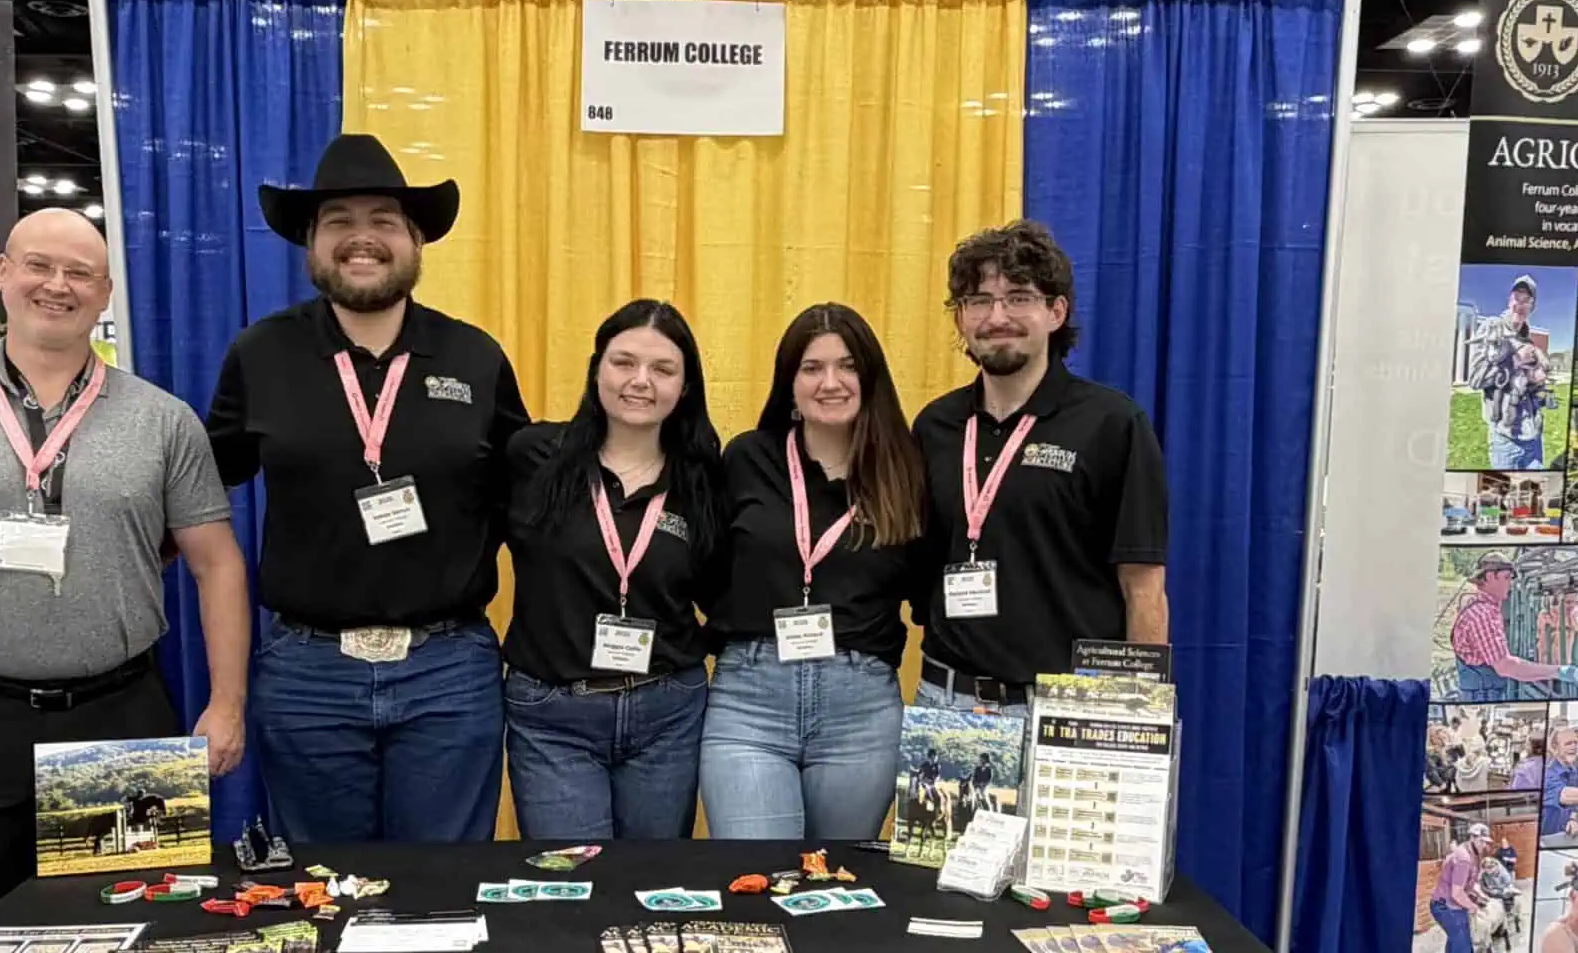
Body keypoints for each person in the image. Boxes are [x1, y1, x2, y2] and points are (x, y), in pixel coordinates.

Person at [0, 210, 250, 951]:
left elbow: (216, 563)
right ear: (3, 273)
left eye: (79, 274)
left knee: (137, 935)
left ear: (104, 293)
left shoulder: (166, 422)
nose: (56, 286)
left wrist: (227, 703)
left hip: (122, 718)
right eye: (38, 266)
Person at [204, 133, 526, 843]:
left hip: (448, 671)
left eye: (383, 220)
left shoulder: (475, 357)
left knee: (443, 893)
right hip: (307, 673)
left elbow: (526, 500)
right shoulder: (260, 354)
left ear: (416, 241)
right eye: (339, 222)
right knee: (326, 892)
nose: (362, 239)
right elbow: (198, 493)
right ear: (311, 245)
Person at [911, 222, 1169, 716]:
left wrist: (1137, 720)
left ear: (1056, 311)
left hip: (1065, 709)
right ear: (961, 319)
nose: (997, 316)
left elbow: (1144, 587)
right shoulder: (935, 427)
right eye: (979, 300)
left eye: (1018, 297)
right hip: (946, 705)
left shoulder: (1113, 426)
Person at [700, 304, 926, 840]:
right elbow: (708, 570)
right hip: (750, 703)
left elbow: (923, 586)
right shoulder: (747, 458)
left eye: (847, 366)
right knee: (756, 881)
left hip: (861, 712)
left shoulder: (905, 470)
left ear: (869, 378)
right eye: (811, 367)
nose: (831, 382)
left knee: (835, 891)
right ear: (790, 383)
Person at [500, 301, 723, 839]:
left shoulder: (705, 477)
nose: (640, 381)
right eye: (623, 363)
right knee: (572, 888)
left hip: (667, 713)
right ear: (596, 368)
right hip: (554, 715)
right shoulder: (534, 456)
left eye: (662, 369)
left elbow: (726, 590)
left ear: (685, 386)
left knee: (650, 885)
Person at [1450, 554, 1578, 700]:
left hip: (1483, 689)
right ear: (1489, 577)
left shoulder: (1478, 606)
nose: (1510, 584)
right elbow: (1505, 666)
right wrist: (1558, 671)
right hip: (1482, 694)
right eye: (1507, 577)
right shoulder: (1483, 614)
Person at [1465, 275, 1550, 470]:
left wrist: (1537, 381)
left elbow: (1529, 383)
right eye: (1516, 298)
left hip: (1534, 436)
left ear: (1532, 306)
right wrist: (1515, 361)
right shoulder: (1492, 328)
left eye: (1526, 300)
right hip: (1506, 441)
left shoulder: (1528, 341)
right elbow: (1475, 378)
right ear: (1509, 300)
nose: (1520, 304)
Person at [1429, 823, 1495, 953]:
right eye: (1481, 841)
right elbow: (1457, 893)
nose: (1484, 845)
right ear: (1473, 838)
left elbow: (1471, 883)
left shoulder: (1474, 854)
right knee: (1464, 947)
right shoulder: (1463, 858)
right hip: (1445, 906)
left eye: (1486, 842)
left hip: (1455, 904)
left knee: (1456, 941)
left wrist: (1481, 895)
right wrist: (1472, 906)